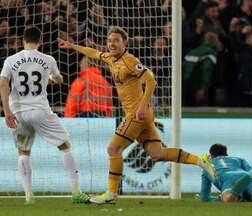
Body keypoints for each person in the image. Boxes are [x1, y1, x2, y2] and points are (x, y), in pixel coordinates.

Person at [58, 26, 218, 205]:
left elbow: (151, 80)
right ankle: (200, 160)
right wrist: (74, 46)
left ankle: (111, 193)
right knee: (157, 154)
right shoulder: (110, 58)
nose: (112, 44)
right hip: (141, 114)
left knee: (114, 149)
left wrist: (142, 105)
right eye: (110, 40)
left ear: (124, 43)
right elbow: (94, 53)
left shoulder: (130, 61)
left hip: (137, 113)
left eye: (116, 40)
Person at [0, 26, 89, 205]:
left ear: (22, 40)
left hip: (18, 112)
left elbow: (3, 83)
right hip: (40, 110)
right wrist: (53, 79)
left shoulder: (11, 60)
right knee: (65, 146)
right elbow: (59, 79)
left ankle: (29, 197)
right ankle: (76, 192)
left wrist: (7, 112)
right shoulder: (47, 59)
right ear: (40, 41)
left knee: (23, 152)